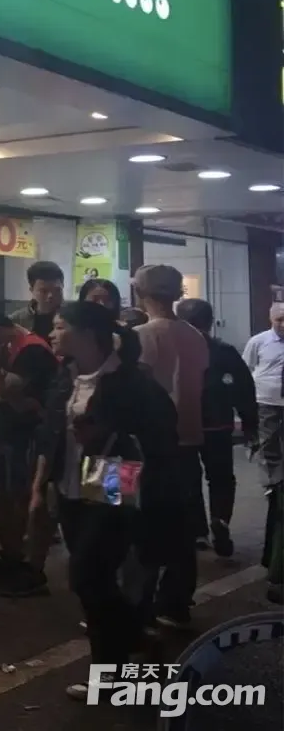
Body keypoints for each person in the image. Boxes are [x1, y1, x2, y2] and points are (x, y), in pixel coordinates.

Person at [33, 301, 180, 700]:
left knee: (87, 574)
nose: (52, 334)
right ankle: (133, 644)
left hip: (111, 473)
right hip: (69, 482)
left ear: (86, 334)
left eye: (60, 326)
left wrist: (108, 433)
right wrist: (39, 486)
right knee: (91, 579)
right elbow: (49, 433)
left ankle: (115, 663)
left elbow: (160, 436)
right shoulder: (66, 376)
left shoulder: (127, 380)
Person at [133, 264, 209, 629]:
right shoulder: (194, 335)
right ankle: (176, 603)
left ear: (140, 293)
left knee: (138, 526)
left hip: (145, 446)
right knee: (180, 527)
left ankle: (138, 605)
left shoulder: (139, 337)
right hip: (188, 441)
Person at [0, 307, 58, 596]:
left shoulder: (31, 350)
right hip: (9, 432)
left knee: (27, 500)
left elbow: (11, 392)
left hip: (30, 437)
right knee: (4, 497)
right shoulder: (11, 347)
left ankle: (29, 567)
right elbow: (6, 394)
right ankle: (12, 557)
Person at [178, 298, 258, 557]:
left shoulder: (174, 349)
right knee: (221, 477)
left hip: (182, 424)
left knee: (189, 478)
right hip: (218, 424)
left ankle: (197, 531)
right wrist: (249, 423)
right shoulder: (223, 350)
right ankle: (220, 520)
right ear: (211, 321)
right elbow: (244, 388)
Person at [243, 304, 284, 584]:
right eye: (280, 319)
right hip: (267, 401)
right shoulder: (259, 341)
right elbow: (247, 369)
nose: (283, 324)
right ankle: (272, 482)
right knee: (268, 445)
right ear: (271, 319)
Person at [12, 260, 65, 341]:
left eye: (57, 290)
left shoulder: (74, 319)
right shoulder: (17, 321)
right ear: (32, 290)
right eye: (44, 291)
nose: (50, 295)